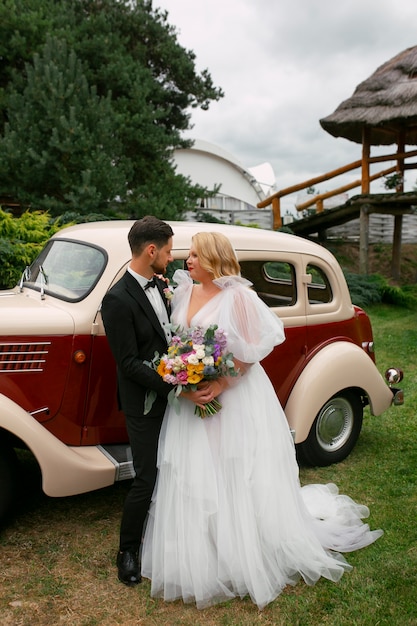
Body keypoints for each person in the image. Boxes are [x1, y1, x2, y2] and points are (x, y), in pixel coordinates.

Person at [141, 231, 383, 610]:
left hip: (234, 395)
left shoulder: (238, 296)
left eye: (194, 256)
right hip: (193, 398)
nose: (186, 261)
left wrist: (219, 382)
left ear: (212, 259)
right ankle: (205, 548)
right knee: (196, 470)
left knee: (234, 465)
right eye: (186, 256)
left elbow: (255, 347)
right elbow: (179, 342)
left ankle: (244, 548)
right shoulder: (184, 291)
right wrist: (185, 375)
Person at [101, 217, 212, 587]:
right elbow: (129, 363)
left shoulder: (163, 286)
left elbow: (170, 338)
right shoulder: (116, 300)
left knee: (177, 468)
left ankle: (173, 539)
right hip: (145, 402)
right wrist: (178, 387)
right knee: (146, 476)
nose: (172, 257)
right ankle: (128, 551)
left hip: (172, 397)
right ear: (152, 251)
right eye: (168, 251)